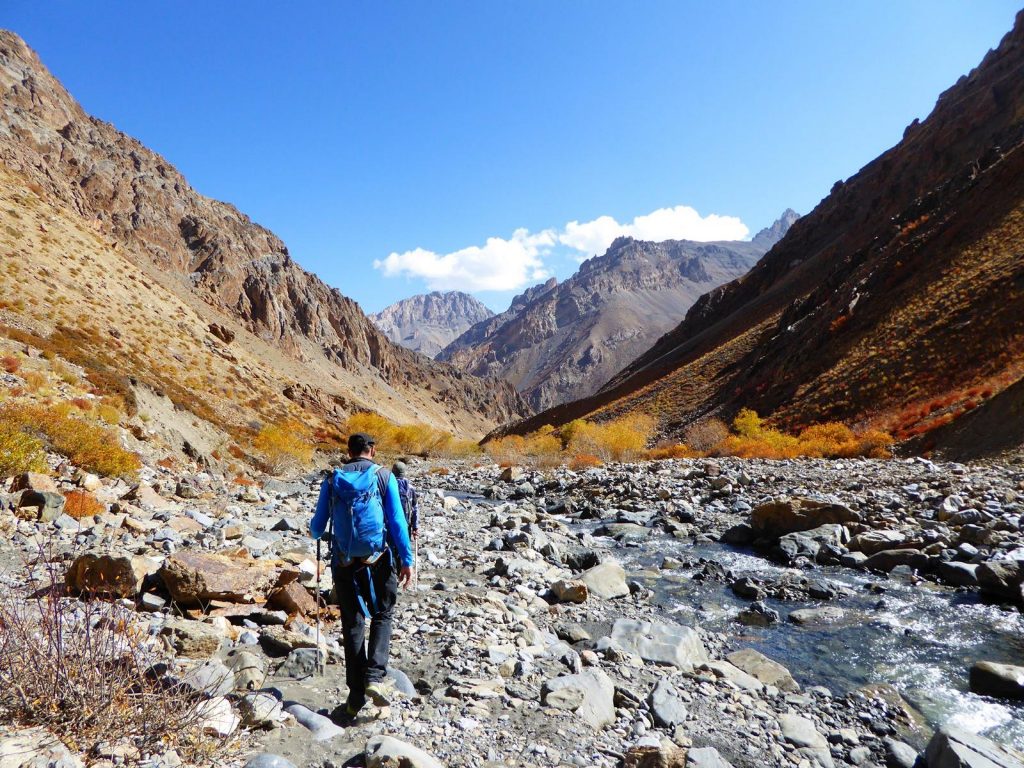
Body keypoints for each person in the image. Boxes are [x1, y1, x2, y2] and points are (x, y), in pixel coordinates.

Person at [309, 432, 414, 725]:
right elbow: (396, 522)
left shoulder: (332, 480)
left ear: (349, 451)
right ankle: (375, 678)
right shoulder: (383, 476)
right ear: (372, 450)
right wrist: (407, 560)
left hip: (343, 560)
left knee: (352, 622)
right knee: (383, 613)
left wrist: (315, 531)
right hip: (378, 558)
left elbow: (318, 527)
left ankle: (355, 697)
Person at [391, 461, 419, 539]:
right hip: (406, 524)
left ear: (393, 472)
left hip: (391, 524)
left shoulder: (389, 486)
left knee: (391, 548)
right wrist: (415, 527)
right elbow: (415, 508)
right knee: (404, 546)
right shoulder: (410, 488)